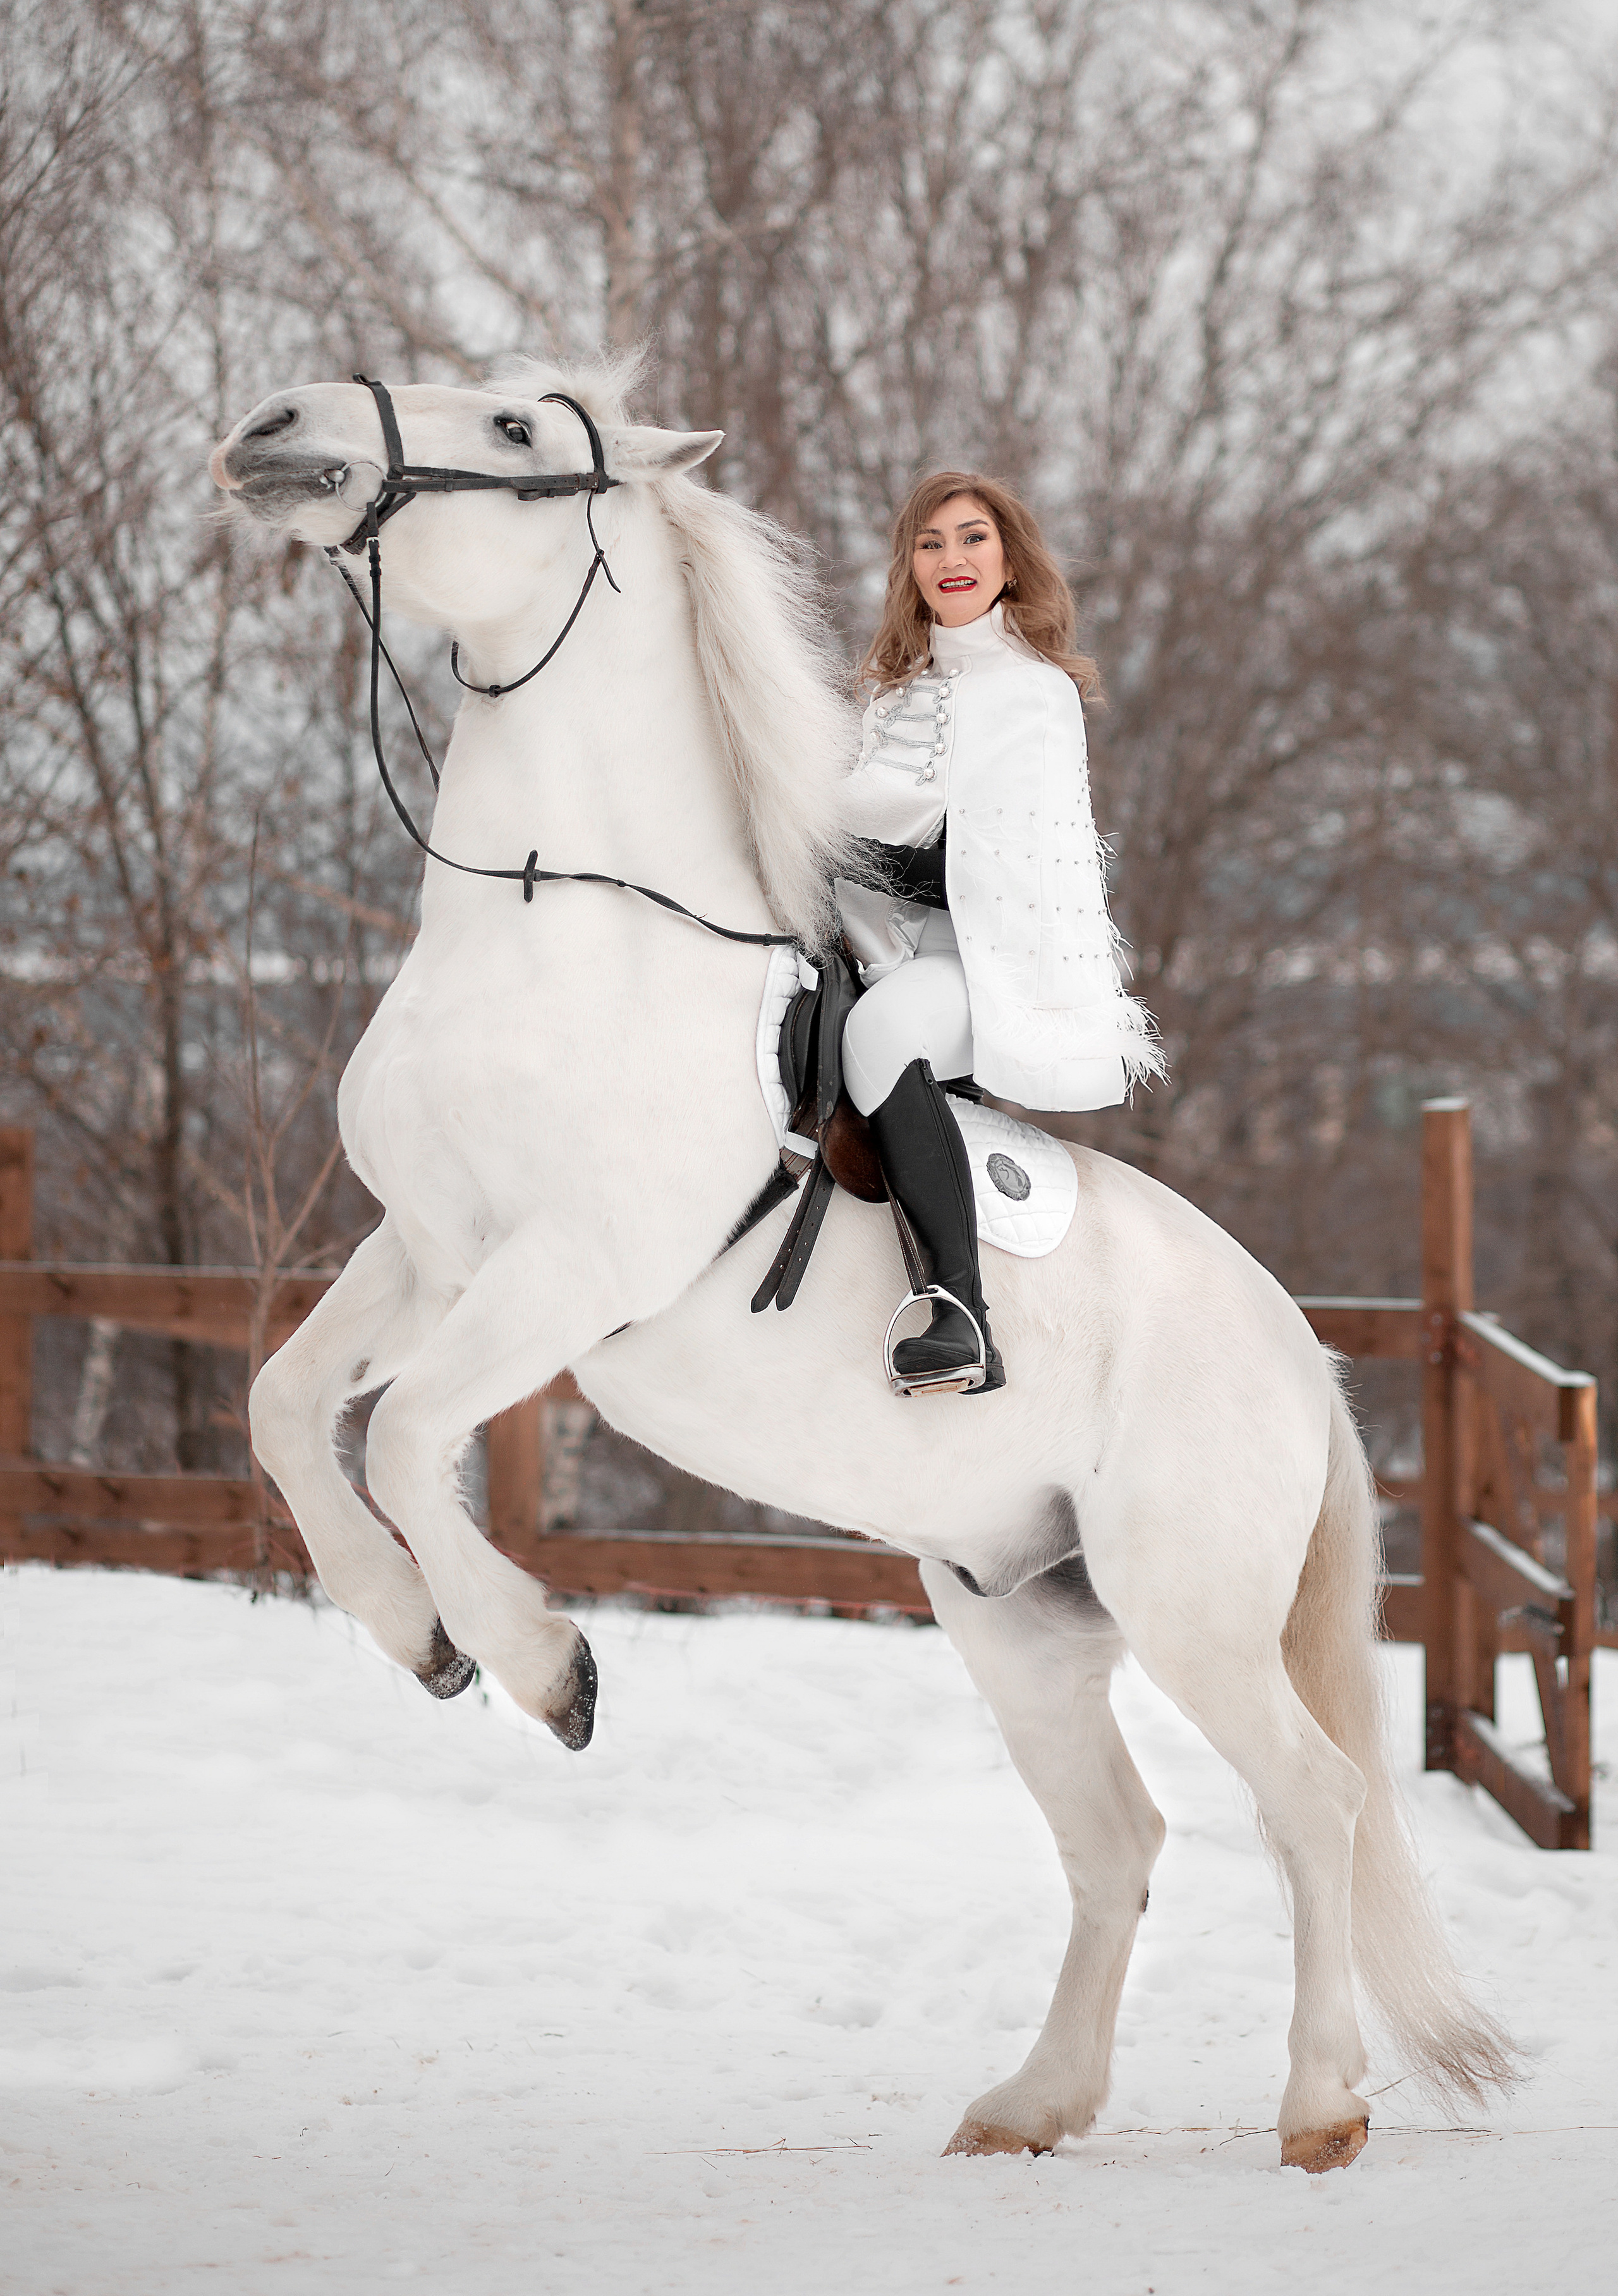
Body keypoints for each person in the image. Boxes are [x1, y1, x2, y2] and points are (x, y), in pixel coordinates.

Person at [836, 472, 1163, 1396]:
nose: (953, 558)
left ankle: (960, 1312)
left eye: (973, 538)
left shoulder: (1033, 695)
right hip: (868, 947)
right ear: (910, 567)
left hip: (977, 967)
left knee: (884, 1035)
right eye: (930, 542)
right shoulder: (890, 696)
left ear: (1009, 561)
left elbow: (988, 878)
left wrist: (833, 857)